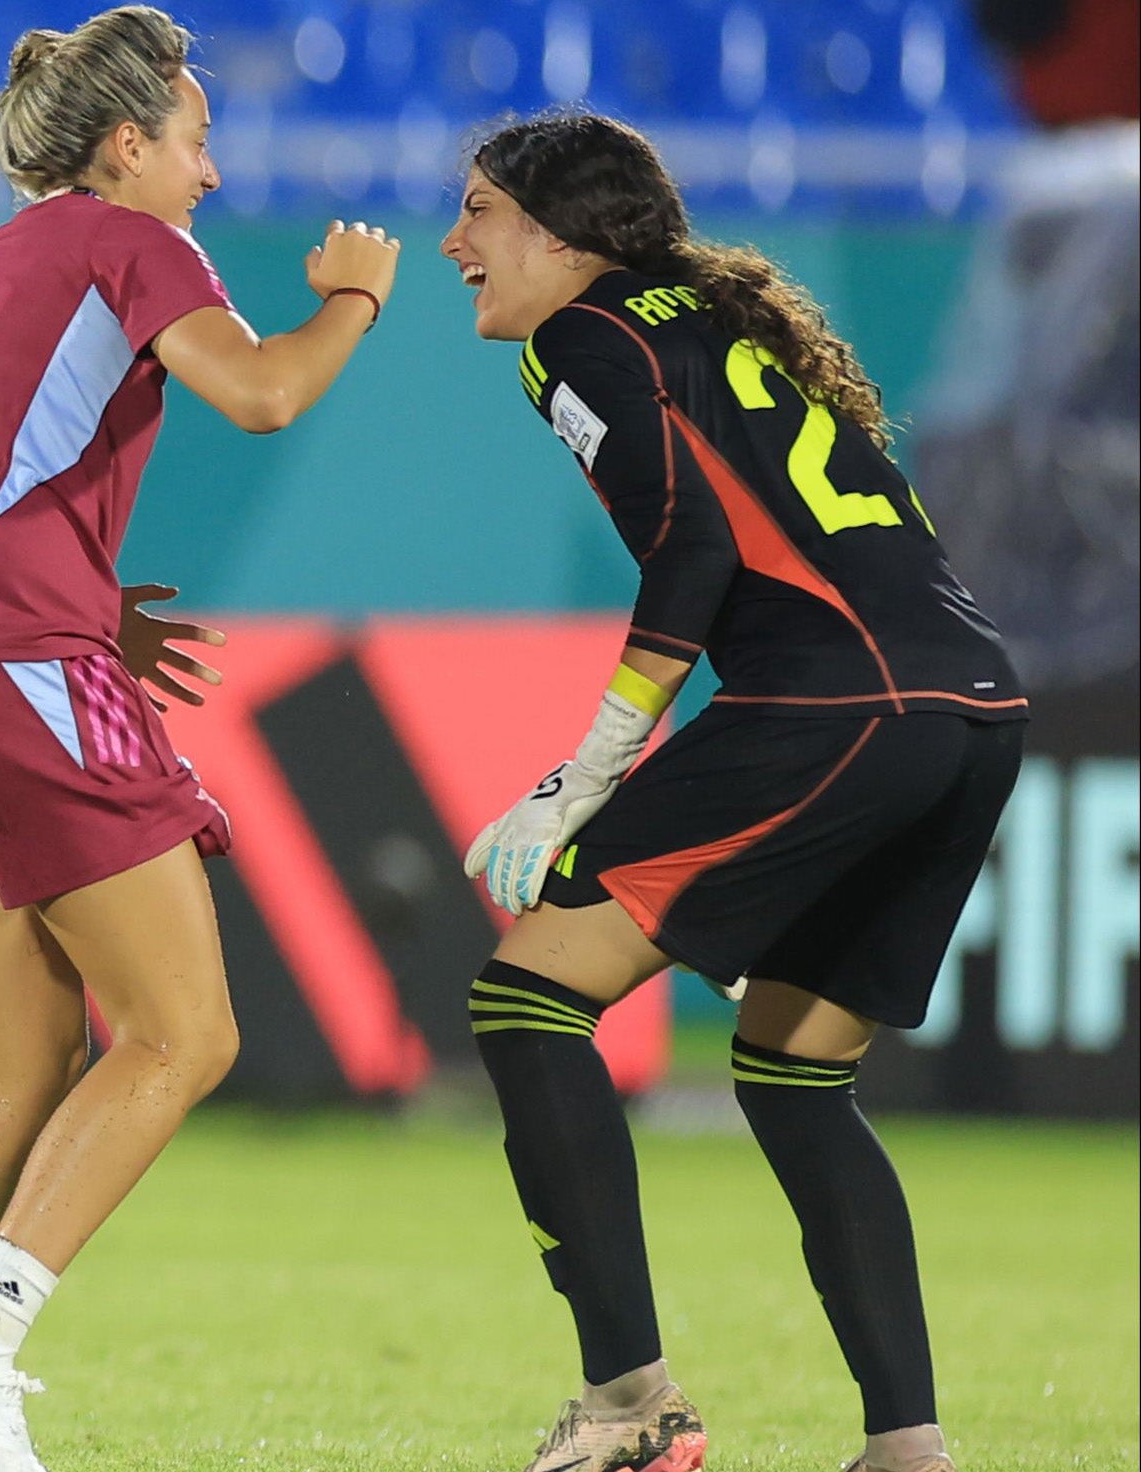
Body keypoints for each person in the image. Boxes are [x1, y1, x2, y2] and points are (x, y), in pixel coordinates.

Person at [0, 9, 401, 1472]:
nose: (210, 171)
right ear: (125, 145)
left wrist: (79, 604)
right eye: (196, 139)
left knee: (15, 1058)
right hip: (8, 671)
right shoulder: (132, 245)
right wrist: (352, 300)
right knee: (186, 1032)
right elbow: (263, 396)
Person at [440, 114, 1026, 1472]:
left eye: (477, 213)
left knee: (527, 998)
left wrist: (589, 771)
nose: (455, 243)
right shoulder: (714, 315)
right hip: (972, 704)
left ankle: (632, 1409)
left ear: (561, 234)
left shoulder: (578, 337)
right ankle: (907, 1448)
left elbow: (691, 552)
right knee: (796, 1074)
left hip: (835, 700)